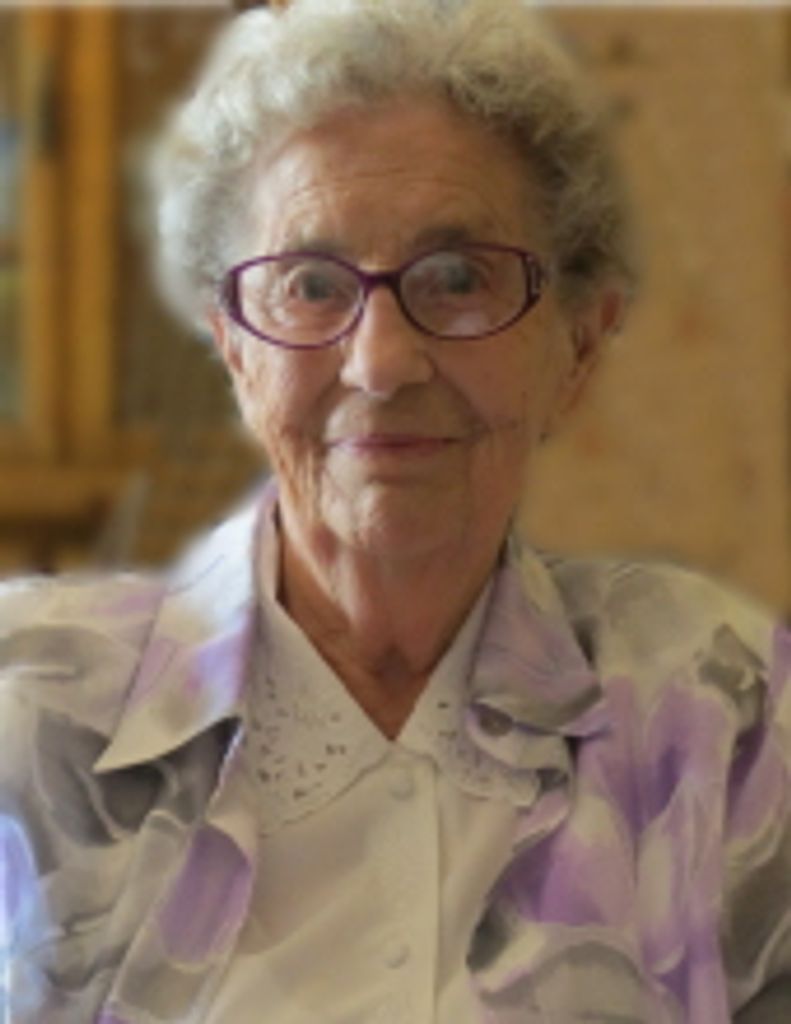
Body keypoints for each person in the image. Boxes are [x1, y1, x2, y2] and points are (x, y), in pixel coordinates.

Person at [1, 0, 789, 1021]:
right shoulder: (29, 714)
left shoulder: (723, 715)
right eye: (309, 285)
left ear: (578, 346)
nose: (380, 363)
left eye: (457, 278)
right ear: (234, 349)